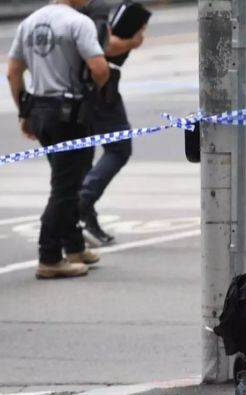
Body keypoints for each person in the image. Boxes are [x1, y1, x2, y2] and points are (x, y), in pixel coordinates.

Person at [7, 0, 110, 278]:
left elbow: (13, 72)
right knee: (65, 187)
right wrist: (95, 93)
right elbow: (100, 69)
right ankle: (49, 256)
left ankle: (74, 246)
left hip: (40, 111)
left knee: (67, 180)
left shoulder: (29, 22)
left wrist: (24, 113)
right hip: (69, 113)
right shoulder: (78, 22)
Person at [77, 0, 146, 246]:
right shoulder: (93, 8)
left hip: (68, 93)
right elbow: (103, 48)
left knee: (82, 156)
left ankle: (84, 219)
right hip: (97, 89)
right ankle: (79, 206)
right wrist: (131, 43)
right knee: (118, 148)